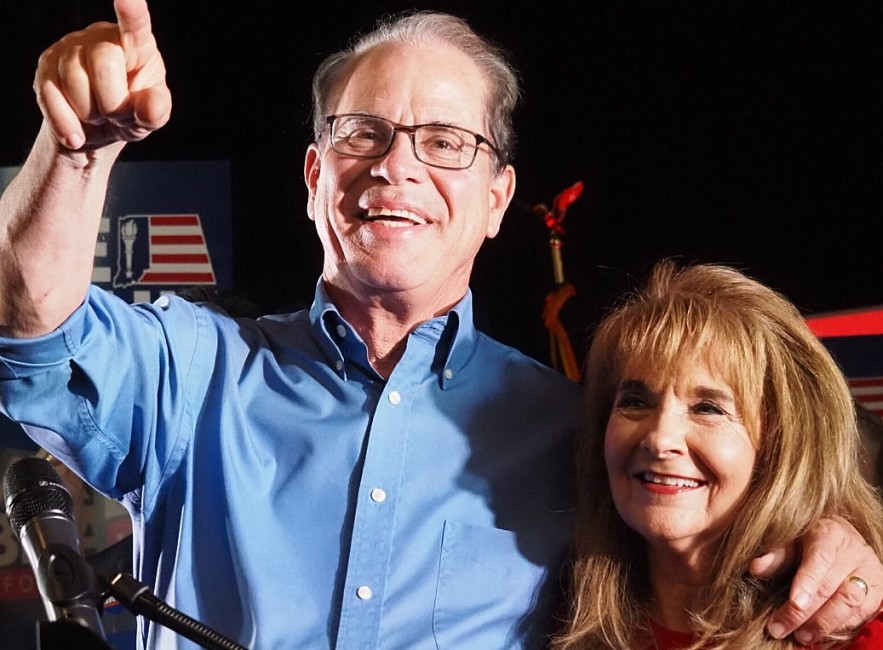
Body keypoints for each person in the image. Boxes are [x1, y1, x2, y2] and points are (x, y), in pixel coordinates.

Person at [0, 1, 880, 647]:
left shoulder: (576, 427)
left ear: (497, 200)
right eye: (361, 133)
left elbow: (720, 533)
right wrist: (77, 152)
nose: (396, 166)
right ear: (313, 177)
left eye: (445, 141)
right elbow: (27, 329)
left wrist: (839, 538)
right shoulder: (187, 371)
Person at [552, 260, 883, 649]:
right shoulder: (556, 613)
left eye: (708, 408)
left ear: (780, 444)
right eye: (636, 402)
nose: (660, 439)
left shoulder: (856, 632)